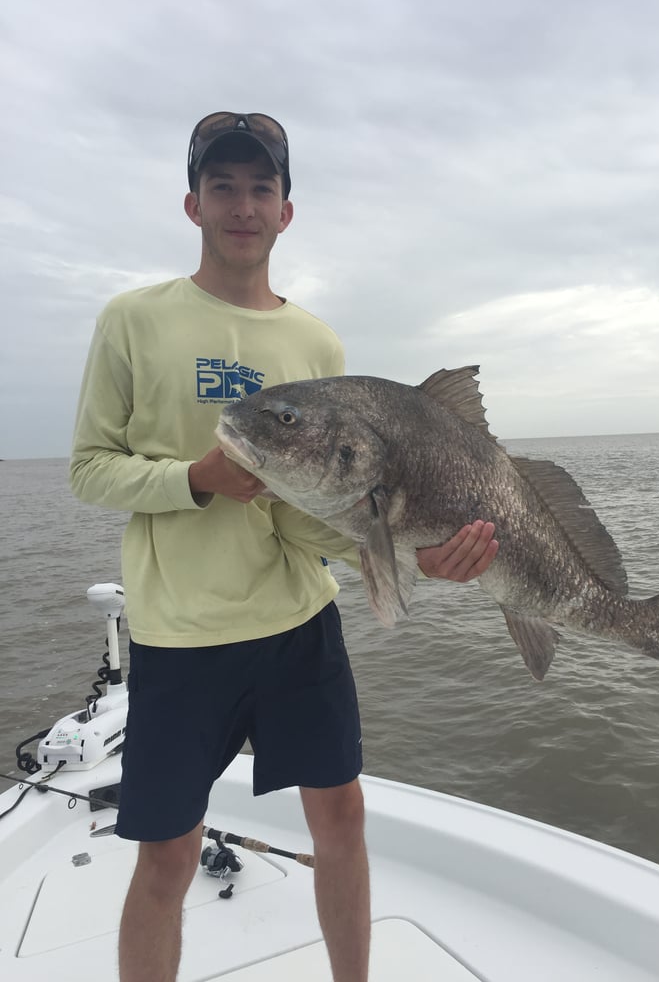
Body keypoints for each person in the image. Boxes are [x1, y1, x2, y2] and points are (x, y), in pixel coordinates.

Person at [70, 111, 498, 982]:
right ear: (192, 204)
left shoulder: (316, 344)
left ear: (286, 211)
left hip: (299, 624)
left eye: (260, 187)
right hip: (180, 637)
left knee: (341, 821)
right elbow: (88, 469)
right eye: (222, 186)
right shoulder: (132, 320)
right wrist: (193, 481)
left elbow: (322, 513)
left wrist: (402, 557)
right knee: (166, 859)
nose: (242, 204)